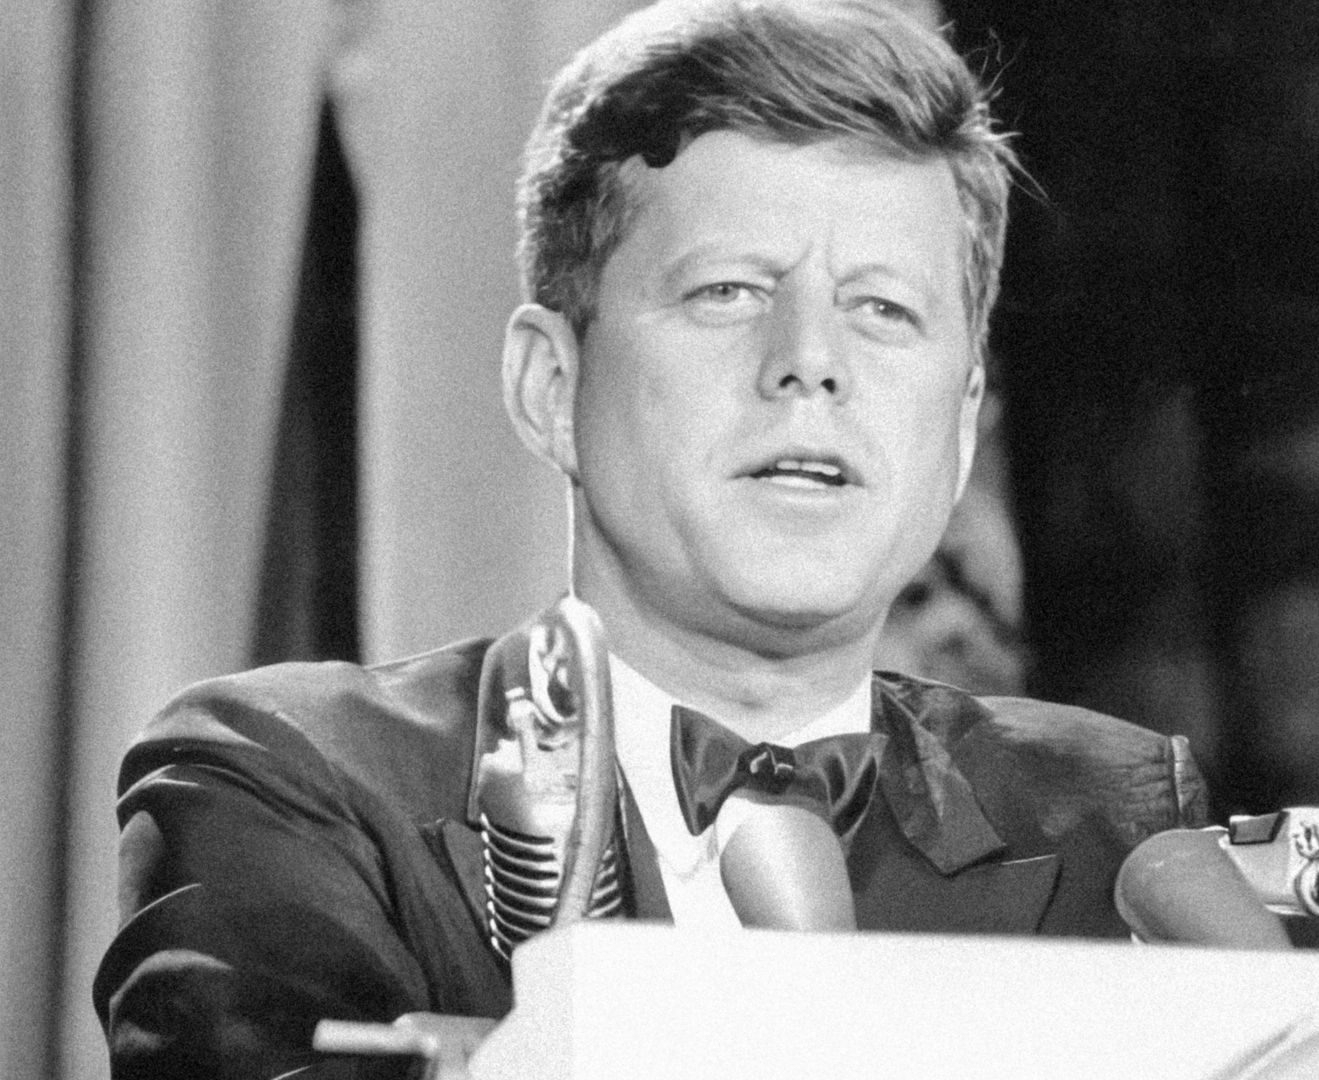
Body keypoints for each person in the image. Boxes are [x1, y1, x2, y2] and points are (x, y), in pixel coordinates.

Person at [94, 1, 1210, 1076]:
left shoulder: (1115, 825)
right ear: (550, 387)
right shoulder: (292, 786)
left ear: (961, 430)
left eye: (883, 308)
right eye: (728, 291)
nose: (810, 362)